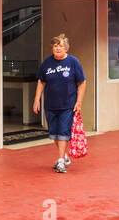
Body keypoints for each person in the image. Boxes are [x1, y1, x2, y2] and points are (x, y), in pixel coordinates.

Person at [33, 34, 86, 174]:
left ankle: (61, 161)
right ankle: (64, 156)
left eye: (60, 46)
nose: (57, 48)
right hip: (50, 104)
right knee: (54, 133)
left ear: (66, 48)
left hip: (67, 104)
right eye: (55, 46)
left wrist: (79, 102)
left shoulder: (73, 62)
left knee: (63, 132)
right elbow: (41, 81)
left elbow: (82, 82)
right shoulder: (47, 63)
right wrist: (37, 99)